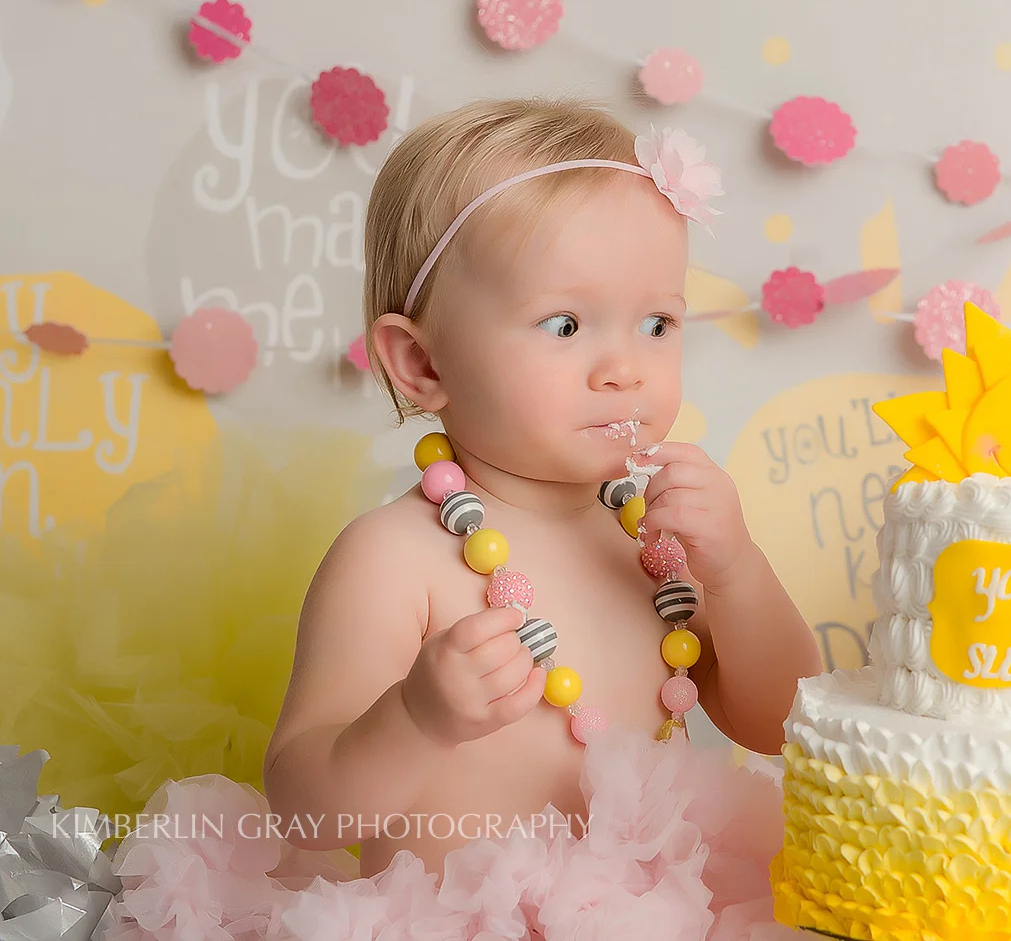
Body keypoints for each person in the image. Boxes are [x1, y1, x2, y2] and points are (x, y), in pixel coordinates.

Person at [104, 99, 820, 941]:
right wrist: (414, 719)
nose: (625, 368)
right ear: (422, 362)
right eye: (565, 324)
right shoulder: (394, 559)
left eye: (657, 322)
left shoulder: (658, 546)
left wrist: (737, 570)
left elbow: (782, 724)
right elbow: (307, 812)